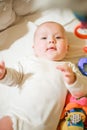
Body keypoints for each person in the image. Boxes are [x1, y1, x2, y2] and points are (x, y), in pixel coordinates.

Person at [0, 21, 87, 130]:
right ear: (34, 48)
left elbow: (81, 91)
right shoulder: (28, 61)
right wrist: (4, 74)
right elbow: (15, 78)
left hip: (47, 126)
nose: (51, 40)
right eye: (44, 38)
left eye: (58, 37)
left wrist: (73, 80)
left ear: (67, 48)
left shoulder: (68, 67)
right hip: (18, 118)